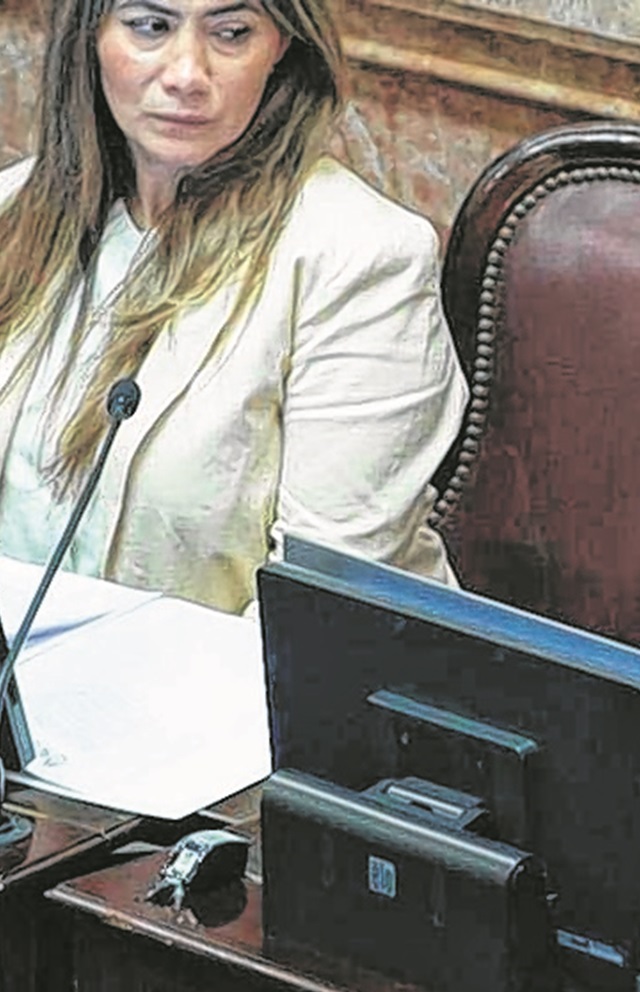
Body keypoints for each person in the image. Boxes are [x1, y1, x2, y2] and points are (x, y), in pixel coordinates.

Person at [0, 0, 467, 614]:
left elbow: (319, 608)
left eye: (230, 33)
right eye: (150, 27)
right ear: (90, 37)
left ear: (280, 47)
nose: (186, 74)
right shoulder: (14, 210)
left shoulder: (363, 259)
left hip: (243, 694)